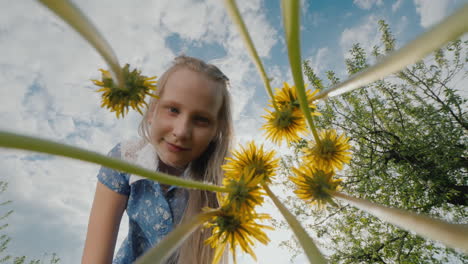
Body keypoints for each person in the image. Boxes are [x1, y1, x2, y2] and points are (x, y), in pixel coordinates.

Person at [82, 55, 233, 264]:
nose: (181, 132)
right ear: (153, 110)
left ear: (216, 131)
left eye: (201, 120)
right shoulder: (124, 160)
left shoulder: (225, 186)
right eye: (173, 109)